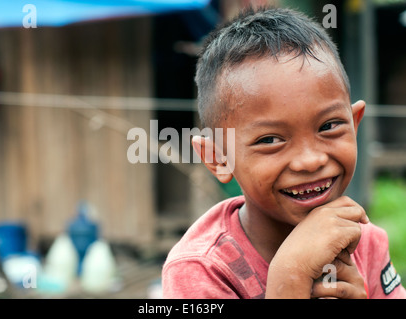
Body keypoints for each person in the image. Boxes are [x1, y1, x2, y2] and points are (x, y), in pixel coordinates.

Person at [162, 6, 406, 299]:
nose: (310, 160)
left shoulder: (362, 240)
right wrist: (289, 277)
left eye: (329, 126)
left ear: (354, 125)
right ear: (217, 156)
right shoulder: (202, 269)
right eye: (270, 140)